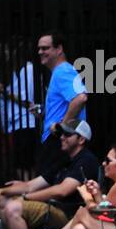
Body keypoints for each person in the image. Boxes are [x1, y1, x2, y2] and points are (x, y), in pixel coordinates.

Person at [34, 29, 88, 177]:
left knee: (44, 186)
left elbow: (80, 98)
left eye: (45, 48)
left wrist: (61, 128)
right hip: (58, 139)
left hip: (58, 140)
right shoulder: (60, 72)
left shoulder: (63, 71)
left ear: (59, 49)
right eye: (39, 48)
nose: (40, 52)